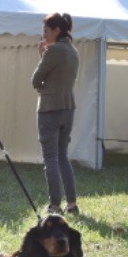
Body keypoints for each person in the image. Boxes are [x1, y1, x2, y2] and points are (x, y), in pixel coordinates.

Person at [31, 12, 79, 215]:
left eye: (46, 31)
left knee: (50, 158)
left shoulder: (54, 51)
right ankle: (72, 204)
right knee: (62, 157)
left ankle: (55, 205)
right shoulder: (73, 51)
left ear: (56, 30)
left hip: (50, 109)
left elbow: (36, 80)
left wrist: (42, 56)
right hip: (68, 108)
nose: (43, 35)